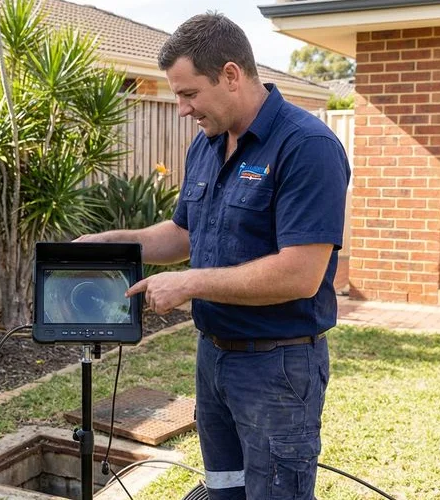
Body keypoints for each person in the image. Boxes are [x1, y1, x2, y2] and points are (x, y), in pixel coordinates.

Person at [76, 13, 350, 500]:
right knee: (223, 490)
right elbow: (183, 234)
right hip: (214, 358)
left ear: (230, 74)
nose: (182, 109)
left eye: (188, 93)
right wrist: (115, 244)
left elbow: (301, 273)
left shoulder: (306, 146)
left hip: (278, 367)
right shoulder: (206, 144)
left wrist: (189, 283)